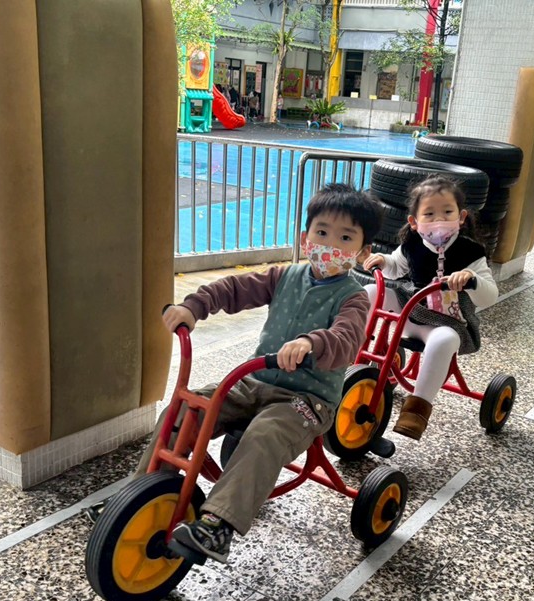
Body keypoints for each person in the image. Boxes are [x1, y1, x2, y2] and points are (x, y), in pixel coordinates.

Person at [136, 183, 380, 563]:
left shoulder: (353, 296)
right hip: (254, 381)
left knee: (265, 433)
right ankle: (141, 495)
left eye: (345, 238)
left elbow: (347, 340)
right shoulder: (284, 276)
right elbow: (235, 288)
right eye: (322, 232)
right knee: (186, 409)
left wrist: (312, 343)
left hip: (307, 400)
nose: (330, 244)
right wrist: (194, 306)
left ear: (363, 252)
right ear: (305, 237)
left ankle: (218, 526)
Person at [361, 175, 498, 440]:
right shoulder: (412, 244)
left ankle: (417, 408)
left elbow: (489, 296)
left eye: (447, 212)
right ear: (414, 222)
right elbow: (396, 267)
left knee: (444, 340)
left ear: (461, 217)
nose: (438, 221)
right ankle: (351, 352)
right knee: (369, 292)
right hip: (411, 309)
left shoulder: (471, 252)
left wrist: (472, 280)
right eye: (429, 214)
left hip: (446, 321)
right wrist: (383, 261)